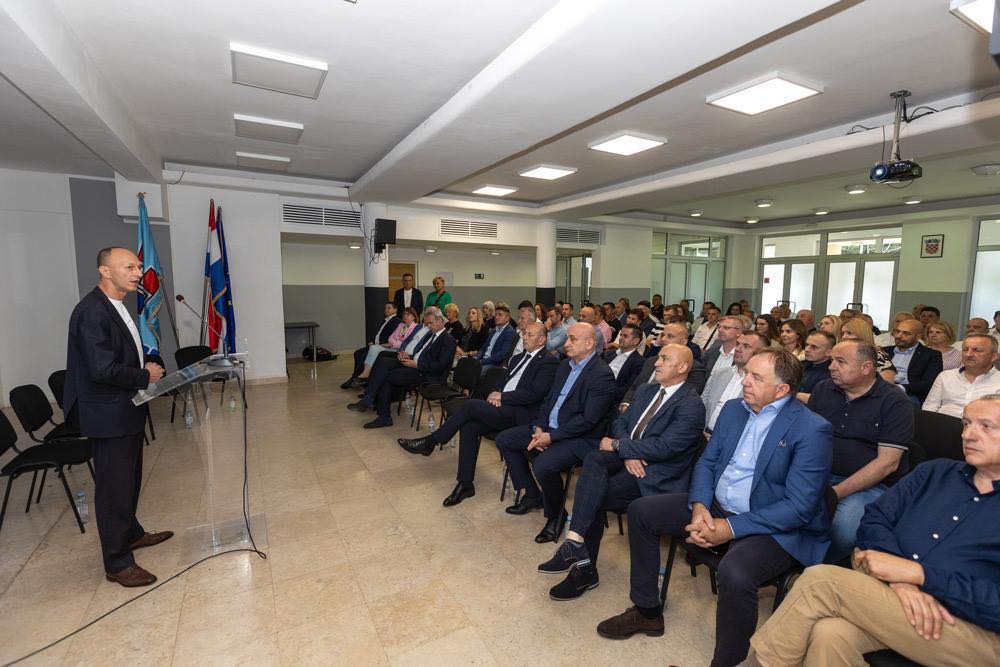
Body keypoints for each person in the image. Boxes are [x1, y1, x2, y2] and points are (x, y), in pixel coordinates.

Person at [595, 349, 833, 667]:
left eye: (756, 377)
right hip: (717, 507)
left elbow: (799, 507)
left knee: (735, 572)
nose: (744, 381)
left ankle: (727, 662)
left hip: (772, 524)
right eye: (746, 373)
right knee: (642, 512)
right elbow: (707, 462)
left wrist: (729, 528)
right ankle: (647, 611)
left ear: (781, 390)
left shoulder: (811, 429)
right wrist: (699, 507)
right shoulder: (734, 409)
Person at [748, 396, 1000, 667]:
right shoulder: (934, 473)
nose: (968, 435)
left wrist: (921, 575)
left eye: (986, 426)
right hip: (895, 600)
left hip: (971, 628)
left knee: (821, 582)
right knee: (830, 634)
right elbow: (874, 520)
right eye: (966, 424)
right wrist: (900, 580)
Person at [539, 344, 705, 600]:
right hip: (630, 459)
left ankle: (583, 569)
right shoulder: (647, 390)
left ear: (683, 367)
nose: (656, 363)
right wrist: (628, 450)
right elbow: (618, 422)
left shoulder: (692, 404)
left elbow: (666, 448)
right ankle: (574, 542)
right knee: (594, 458)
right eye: (658, 358)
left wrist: (620, 447)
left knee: (593, 496)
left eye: (664, 359)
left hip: (654, 474)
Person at [64, 247, 170, 587]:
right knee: (114, 489)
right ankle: (117, 563)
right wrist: (145, 375)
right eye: (129, 267)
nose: (138, 272)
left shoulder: (116, 305)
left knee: (129, 480)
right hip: (107, 412)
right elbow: (101, 369)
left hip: (124, 407)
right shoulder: (92, 312)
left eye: (138, 266)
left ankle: (132, 534)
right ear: (105, 271)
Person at [397, 322, 558, 505]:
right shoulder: (517, 358)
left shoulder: (548, 362)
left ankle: (431, 441)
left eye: (530, 335)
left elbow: (534, 393)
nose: (524, 337)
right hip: (502, 407)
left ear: (542, 340)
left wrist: (503, 397)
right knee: (470, 426)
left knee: (471, 406)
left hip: (522, 413)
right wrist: (495, 393)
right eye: (524, 333)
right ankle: (465, 484)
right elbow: (502, 382)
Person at [496, 323, 616, 543]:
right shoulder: (564, 366)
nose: (566, 343)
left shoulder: (602, 374)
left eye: (572, 339)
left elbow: (589, 420)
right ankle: (533, 494)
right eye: (567, 338)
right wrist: (540, 427)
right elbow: (548, 401)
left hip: (581, 437)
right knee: (505, 439)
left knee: (544, 465)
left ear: (589, 343)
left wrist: (551, 437)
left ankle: (556, 516)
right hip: (550, 428)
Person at [808, 341, 914, 564]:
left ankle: (816, 567)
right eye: (832, 360)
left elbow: (887, 463)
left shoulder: (894, 401)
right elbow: (807, 439)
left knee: (843, 529)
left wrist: (835, 493)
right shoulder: (824, 389)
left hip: (872, 484)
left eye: (840, 362)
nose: (831, 367)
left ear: (866, 368)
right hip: (820, 473)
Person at [354, 307, 456, 429]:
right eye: (427, 323)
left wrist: (416, 364)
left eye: (431, 323)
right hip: (416, 365)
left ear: (440, 320)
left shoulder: (448, 340)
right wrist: (408, 356)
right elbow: (420, 353)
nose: (429, 326)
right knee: (383, 361)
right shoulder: (431, 335)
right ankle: (370, 399)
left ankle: (382, 414)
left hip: (428, 375)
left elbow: (440, 365)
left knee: (386, 376)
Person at [701, 332, 769, 434]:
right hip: (703, 434)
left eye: (746, 346)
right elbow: (703, 404)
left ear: (760, 353)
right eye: (738, 344)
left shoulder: (763, 384)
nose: (737, 349)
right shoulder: (719, 374)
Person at [623, 323, 708, 403]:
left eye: (670, 336)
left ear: (683, 342)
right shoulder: (651, 361)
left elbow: (685, 400)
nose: (663, 339)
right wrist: (625, 404)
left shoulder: (694, 368)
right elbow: (634, 388)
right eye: (663, 335)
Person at [924, 334, 1000, 418]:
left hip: (980, 425)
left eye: (977, 350)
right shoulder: (945, 376)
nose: (968, 354)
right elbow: (930, 406)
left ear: (994, 356)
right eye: (965, 349)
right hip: (942, 423)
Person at [345, 306, 418, 387]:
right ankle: (366, 373)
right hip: (392, 347)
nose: (405, 316)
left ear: (413, 316)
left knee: (374, 350)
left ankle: (365, 375)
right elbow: (390, 338)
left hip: (400, 351)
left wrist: (394, 343)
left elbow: (406, 343)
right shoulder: (401, 325)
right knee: (373, 347)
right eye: (404, 314)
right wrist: (395, 342)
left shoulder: (415, 328)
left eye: (408, 314)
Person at [343, 301, 400, 389]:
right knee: (357, 353)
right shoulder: (386, 320)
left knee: (363, 355)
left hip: (383, 346)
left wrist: (379, 344)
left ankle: (359, 378)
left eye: (389, 308)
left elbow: (391, 337)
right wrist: (373, 341)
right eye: (385, 308)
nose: (386, 310)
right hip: (376, 345)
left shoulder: (396, 321)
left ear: (395, 310)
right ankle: (356, 377)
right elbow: (380, 334)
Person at [887, 318, 943, 406]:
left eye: (906, 333)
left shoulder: (931, 355)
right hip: (882, 389)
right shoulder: (884, 351)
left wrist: (900, 388)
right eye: (897, 331)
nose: (898, 336)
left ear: (918, 336)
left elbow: (928, 383)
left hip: (909, 393)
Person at [841, 318, 896, 382]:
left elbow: (886, 382)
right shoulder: (840, 354)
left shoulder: (877, 356)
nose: (844, 337)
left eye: (849, 333)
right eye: (842, 333)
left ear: (862, 335)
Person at [603, 323, 645, 405]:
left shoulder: (639, 362)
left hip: (610, 397)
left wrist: (604, 390)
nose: (621, 338)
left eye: (625, 336)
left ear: (635, 341)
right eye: (621, 335)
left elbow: (628, 388)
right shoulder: (610, 353)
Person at [796, 330, 835, 402]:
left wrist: (796, 395)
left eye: (814, 347)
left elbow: (821, 401)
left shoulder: (832, 374)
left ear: (829, 352)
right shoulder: (799, 364)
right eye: (807, 345)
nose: (807, 349)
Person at [476, 304, 515, 373]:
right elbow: (484, 348)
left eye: (500, 315)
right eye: (496, 315)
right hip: (483, 360)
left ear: (507, 318)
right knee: (467, 365)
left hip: (495, 364)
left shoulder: (510, 332)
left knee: (475, 371)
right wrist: (475, 358)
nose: (496, 317)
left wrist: (482, 361)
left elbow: (502, 354)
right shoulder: (493, 330)